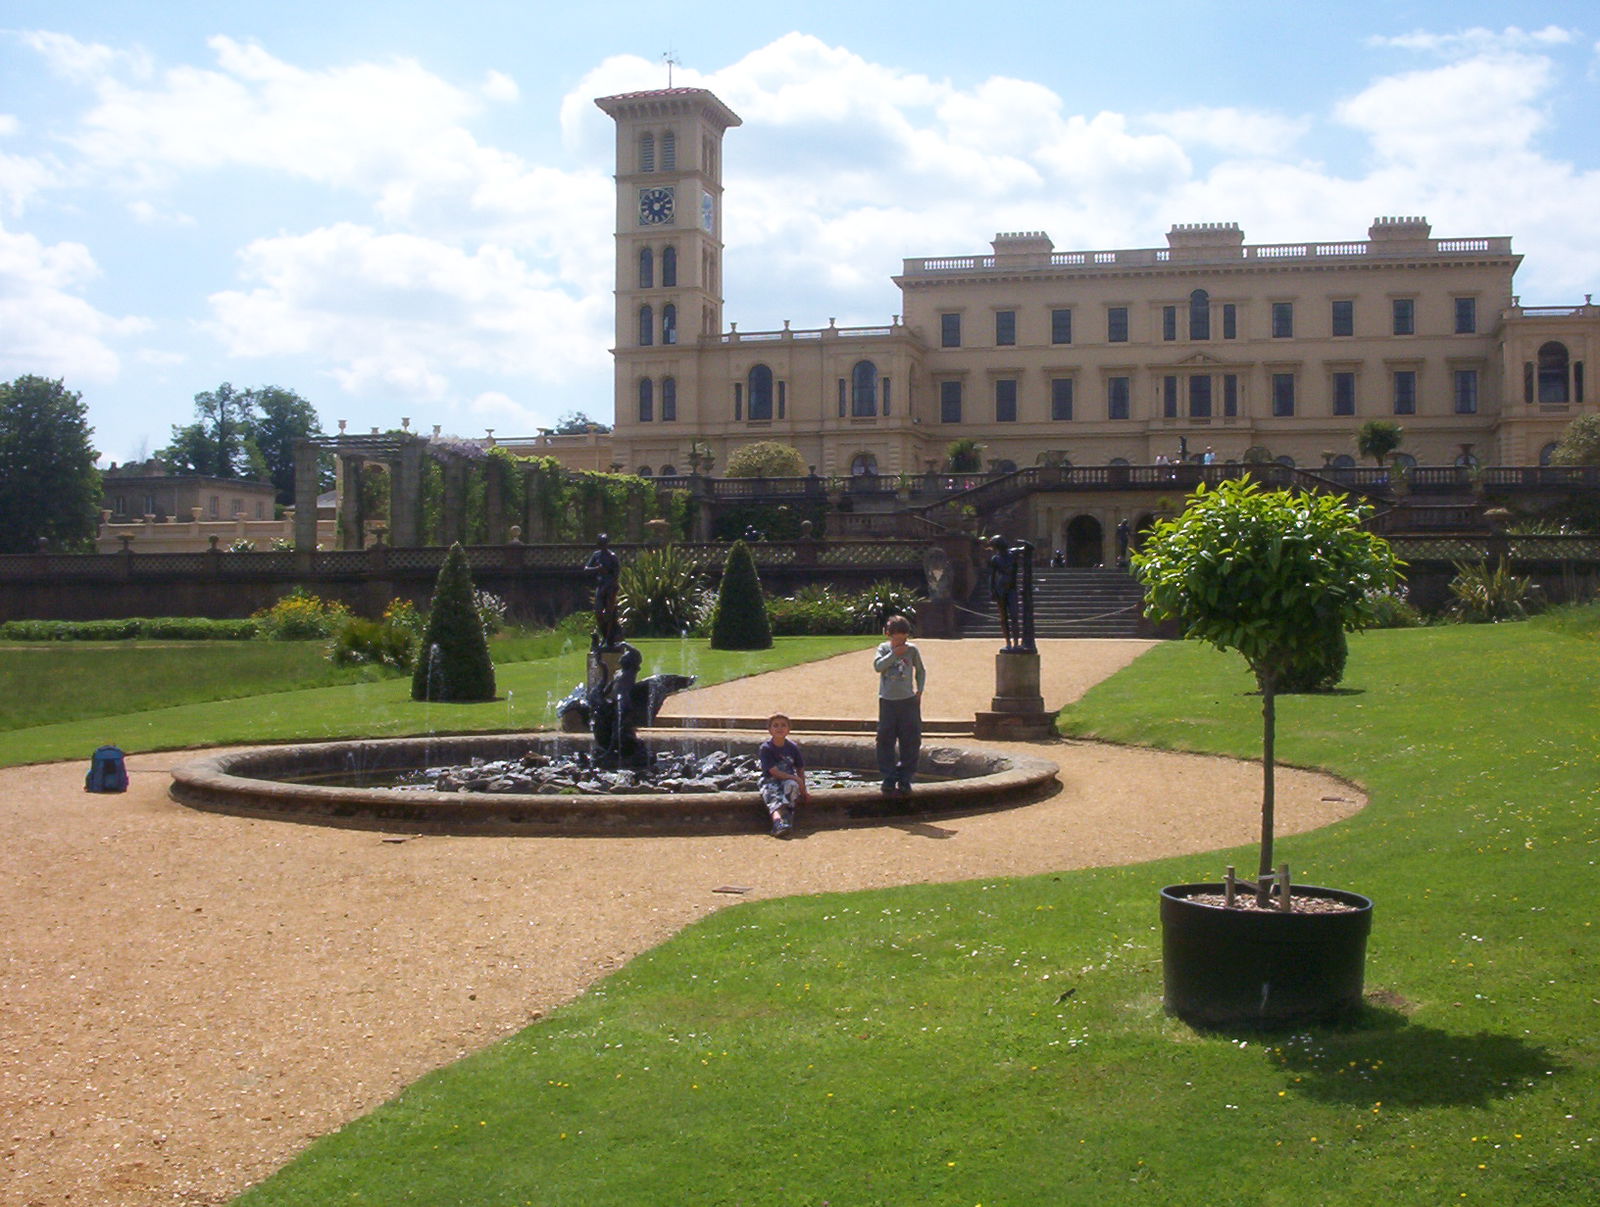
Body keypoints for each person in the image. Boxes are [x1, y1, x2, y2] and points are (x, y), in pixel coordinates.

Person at [873, 615, 926, 795]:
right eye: (897, 637)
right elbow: (878, 667)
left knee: (911, 739)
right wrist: (894, 653)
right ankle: (888, 776)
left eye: (904, 637)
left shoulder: (912, 651)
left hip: (908, 701)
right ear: (889, 634)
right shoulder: (883, 648)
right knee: (885, 739)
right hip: (887, 701)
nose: (901, 641)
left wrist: (920, 690)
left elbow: (920, 670)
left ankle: (905, 777)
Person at [758, 713, 808, 837]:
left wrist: (804, 789)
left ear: (789, 729)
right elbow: (773, 771)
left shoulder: (793, 747)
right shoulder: (766, 748)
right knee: (774, 795)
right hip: (770, 780)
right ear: (769, 730)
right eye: (775, 725)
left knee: (792, 786)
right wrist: (796, 778)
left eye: (783, 725)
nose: (779, 728)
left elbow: (800, 768)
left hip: (788, 780)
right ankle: (777, 823)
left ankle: (786, 819)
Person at [584, 533, 621, 647]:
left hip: (610, 587)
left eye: (604, 543)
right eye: (601, 544)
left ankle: (610, 638)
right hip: (600, 586)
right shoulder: (596, 555)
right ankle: (604, 635)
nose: (602, 546)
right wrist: (597, 569)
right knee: (598, 612)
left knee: (609, 613)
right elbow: (586, 569)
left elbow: (616, 573)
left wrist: (608, 575)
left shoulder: (612, 556)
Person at [988, 536, 1019, 649]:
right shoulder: (995, 559)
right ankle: (1008, 642)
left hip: (1011, 588)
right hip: (1001, 589)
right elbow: (992, 576)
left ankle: (1015, 642)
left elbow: (1024, 549)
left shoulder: (1012, 555)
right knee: (1003, 618)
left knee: (1014, 616)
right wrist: (992, 590)